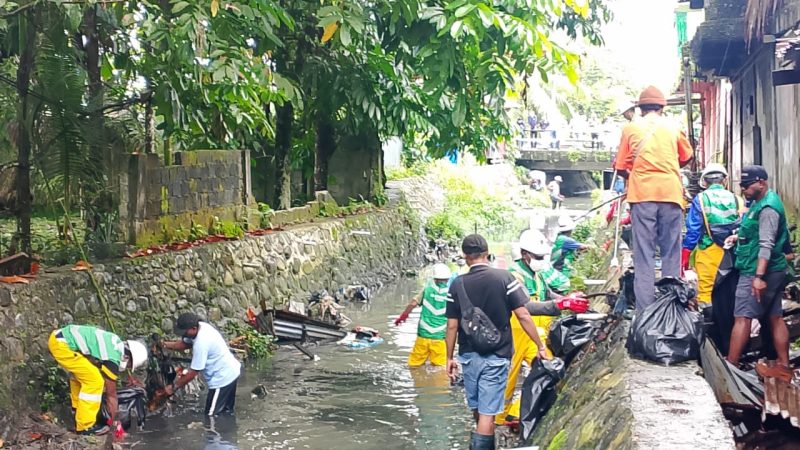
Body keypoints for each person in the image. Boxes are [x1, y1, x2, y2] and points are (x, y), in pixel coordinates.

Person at [445, 234, 548, 450]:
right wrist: (539, 345)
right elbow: (523, 315)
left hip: (468, 356)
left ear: (465, 257)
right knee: (487, 414)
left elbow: (452, 326)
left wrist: (449, 358)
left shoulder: (456, 284)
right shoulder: (504, 278)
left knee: (479, 410)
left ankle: (484, 440)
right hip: (497, 355)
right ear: (486, 254)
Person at [613, 85, 694, 309]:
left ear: (640, 108)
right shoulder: (673, 127)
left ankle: (646, 311)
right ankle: (671, 307)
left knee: (644, 255)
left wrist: (634, 173)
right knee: (671, 252)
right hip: (671, 193)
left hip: (642, 196)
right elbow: (687, 156)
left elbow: (620, 166)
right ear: (662, 107)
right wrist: (669, 167)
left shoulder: (630, 129)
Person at [497, 230, 587, 426]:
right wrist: (560, 306)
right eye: (537, 256)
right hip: (515, 334)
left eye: (542, 256)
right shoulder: (514, 276)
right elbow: (526, 306)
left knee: (548, 367)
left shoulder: (537, 275)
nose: (541, 260)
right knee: (508, 380)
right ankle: (498, 419)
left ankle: (515, 412)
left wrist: (566, 299)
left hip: (533, 335)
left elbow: (548, 294)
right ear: (524, 254)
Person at [724, 166, 792, 381]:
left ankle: (731, 366)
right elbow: (758, 234)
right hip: (770, 269)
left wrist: (758, 278)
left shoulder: (768, 209)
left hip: (759, 271)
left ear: (761, 182)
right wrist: (738, 238)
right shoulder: (760, 202)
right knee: (774, 317)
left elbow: (766, 245)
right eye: (741, 185)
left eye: (747, 185)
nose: (743, 189)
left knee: (742, 317)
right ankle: (783, 365)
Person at [48, 324, 148, 435]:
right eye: (129, 366)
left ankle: (77, 413)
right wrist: (116, 423)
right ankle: (84, 427)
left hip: (59, 339)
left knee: (83, 376)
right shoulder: (113, 358)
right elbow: (111, 395)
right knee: (95, 381)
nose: (127, 368)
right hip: (62, 346)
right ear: (127, 358)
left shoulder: (115, 342)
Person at [681, 163, 742, 305]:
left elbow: (694, 229)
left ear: (704, 181)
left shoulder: (701, 199)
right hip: (732, 252)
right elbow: (744, 227)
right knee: (731, 289)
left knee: (706, 291)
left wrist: (686, 253)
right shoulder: (737, 199)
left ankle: (709, 323)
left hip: (708, 250)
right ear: (724, 180)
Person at [163, 313, 242, 415]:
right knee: (226, 412)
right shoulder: (202, 327)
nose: (183, 334)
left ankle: (217, 431)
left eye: (184, 332)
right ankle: (229, 430)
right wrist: (164, 344)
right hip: (231, 371)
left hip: (222, 379)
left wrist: (173, 387)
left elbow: (193, 372)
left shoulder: (201, 343)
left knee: (211, 417)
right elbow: (185, 343)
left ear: (194, 328)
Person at [394, 263, 451, 367]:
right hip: (439, 338)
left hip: (423, 335)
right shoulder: (451, 294)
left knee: (414, 365)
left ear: (434, 278)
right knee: (440, 367)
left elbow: (412, 304)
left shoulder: (427, 290)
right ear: (447, 279)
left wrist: (403, 317)